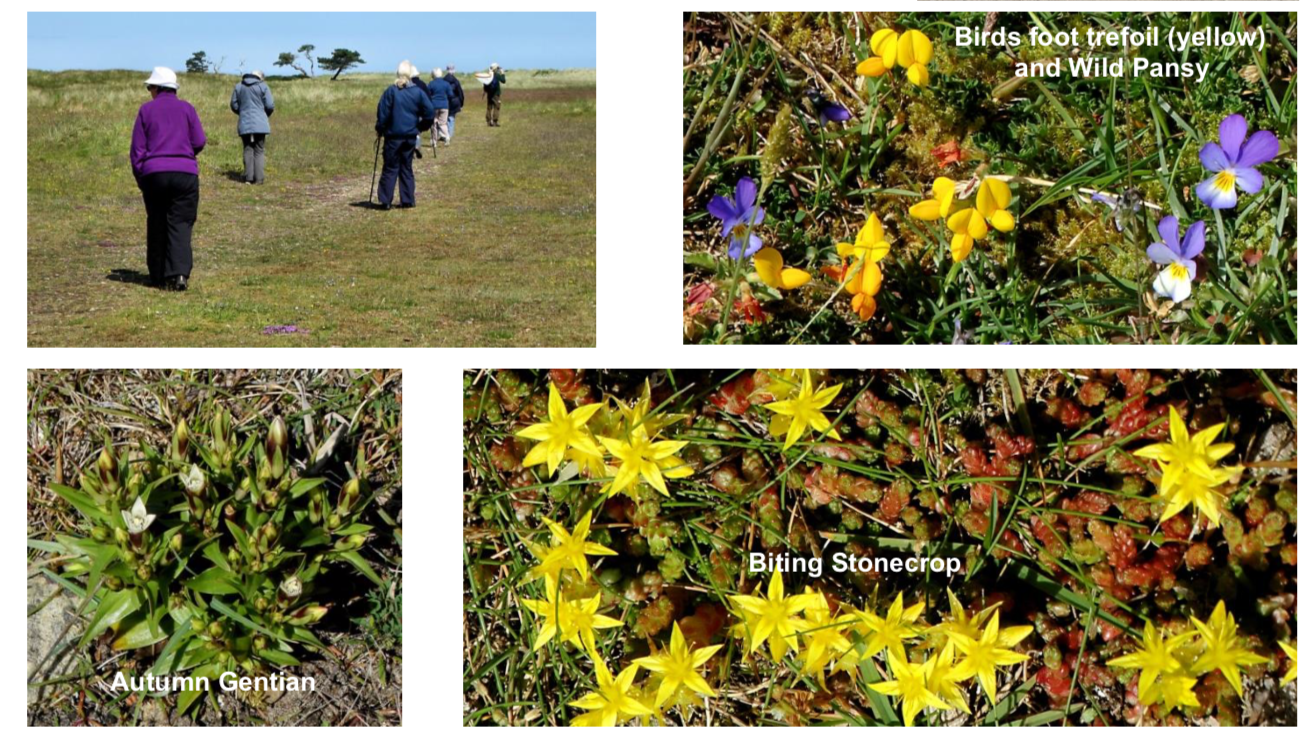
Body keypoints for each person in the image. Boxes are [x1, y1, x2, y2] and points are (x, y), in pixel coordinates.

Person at [130, 67, 206, 291]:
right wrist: (185, 155)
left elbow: (137, 151)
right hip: (185, 174)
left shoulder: (146, 110)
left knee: (157, 222)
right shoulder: (187, 109)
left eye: (149, 87)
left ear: (157, 88)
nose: (148, 91)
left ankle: (158, 275)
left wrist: (142, 177)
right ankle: (180, 274)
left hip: (155, 174)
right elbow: (199, 140)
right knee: (181, 223)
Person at [374, 60, 435, 210]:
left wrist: (380, 129)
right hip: (409, 137)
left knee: (390, 167)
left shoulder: (391, 91)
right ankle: (408, 200)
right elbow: (430, 113)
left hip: (393, 137)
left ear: (398, 73)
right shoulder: (418, 92)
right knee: (406, 167)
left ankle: (386, 200)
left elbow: (382, 114)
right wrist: (420, 127)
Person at [229, 69, 274, 184]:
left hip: (244, 122)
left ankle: (248, 178)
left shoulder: (238, 86)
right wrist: (264, 115)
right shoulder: (263, 86)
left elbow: (233, 105)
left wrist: (242, 112)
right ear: (259, 77)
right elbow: (270, 105)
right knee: (259, 150)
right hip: (260, 123)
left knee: (248, 149)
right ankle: (259, 179)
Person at [407, 63, 432, 158]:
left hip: (409, 111)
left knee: (410, 129)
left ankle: (412, 147)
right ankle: (416, 146)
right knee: (417, 130)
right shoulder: (422, 84)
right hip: (421, 111)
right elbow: (429, 99)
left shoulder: (406, 84)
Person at [427, 68, 453, 147]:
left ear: (433, 75)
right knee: (443, 123)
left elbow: (427, 95)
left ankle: (434, 141)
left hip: (434, 106)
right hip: (444, 106)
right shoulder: (446, 84)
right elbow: (451, 95)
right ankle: (447, 137)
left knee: (433, 124)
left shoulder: (431, 84)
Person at [442, 64, 465, 142]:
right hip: (454, 102)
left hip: (445, 101)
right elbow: (460, 93)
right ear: (453, 70)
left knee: (444, 119)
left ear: (447, 70)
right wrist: (461, 103)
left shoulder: (443, 80)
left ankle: (445, 134)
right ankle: (449, 135)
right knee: (451, 118)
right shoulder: (456, 81)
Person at [484, 62, 506, 127]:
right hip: (496, 94)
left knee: (489, 108)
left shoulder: (488, 75)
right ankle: (495, 121)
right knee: (497, 107)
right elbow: (503, 80)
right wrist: (503, 73)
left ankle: (488, 122)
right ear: (495, 68)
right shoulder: (496, 75)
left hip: (489, 93)